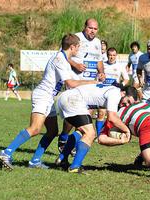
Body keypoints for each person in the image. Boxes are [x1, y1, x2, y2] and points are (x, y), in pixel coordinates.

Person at [0, 33, 97, 170]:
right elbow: (70, 83)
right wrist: (93, 82)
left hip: (49, 98)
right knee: (35, 129)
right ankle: (6, 153)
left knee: (52, 131)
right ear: (72, 47)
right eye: (78, 46)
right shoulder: (60, 60)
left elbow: (69, 84)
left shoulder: (64, 59)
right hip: (43, 96)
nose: (79, 49)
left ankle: (35, 161)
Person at [56, 85, 136, 173]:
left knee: (81, 131)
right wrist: (126, 130)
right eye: (128, 101)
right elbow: (112, 118)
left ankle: (62, 159)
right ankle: (74, 167)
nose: (127, 104)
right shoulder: (115, 94)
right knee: (90, 133)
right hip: (73, 99)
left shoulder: (113, 91)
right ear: (123, 93)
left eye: (129, 104)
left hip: (67, 98)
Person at [58, 18, 106, 152]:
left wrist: (101, 72)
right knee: (73, 113)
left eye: (95, 29)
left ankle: (72, 143)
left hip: (89, 83)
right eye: (90, 28)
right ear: (85, 27)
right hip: (75, 81)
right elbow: (63, 56)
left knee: (86, 114)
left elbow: (99, 61)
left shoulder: (97, 43)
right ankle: (64, 136)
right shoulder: (75, 38)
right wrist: (75, 65)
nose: (93, 31)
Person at [95, 47, 130, 137]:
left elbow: (126, 79)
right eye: (110, 55)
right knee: (101, 113)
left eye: (114, 55)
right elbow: (97, 77)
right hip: (102, 92)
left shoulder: (120, 66)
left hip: (114, 94)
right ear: (107, 55)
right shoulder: (103, 65)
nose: (112, 57)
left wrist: (120, 85)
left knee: (112, 115)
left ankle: (108, 132)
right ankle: (99, 135)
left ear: (116, 56)